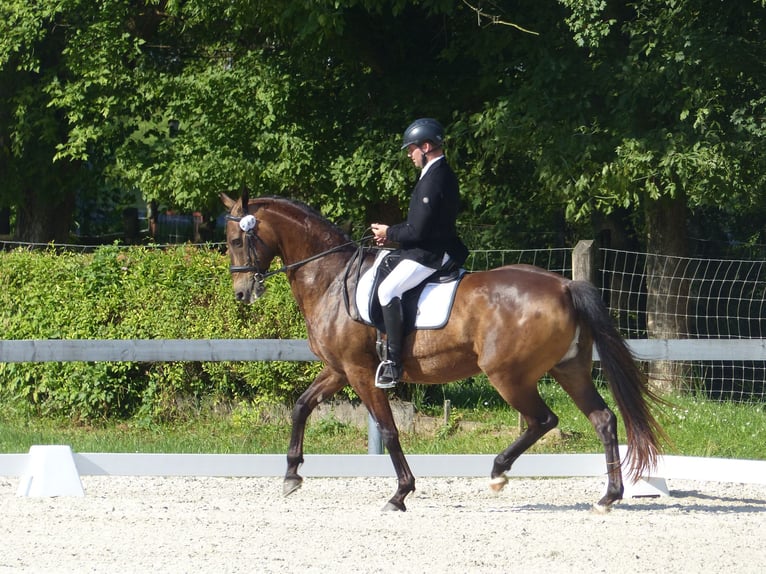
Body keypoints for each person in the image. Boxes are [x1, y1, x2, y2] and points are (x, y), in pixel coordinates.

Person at [370, 118, 468, 388]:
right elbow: (419, 226)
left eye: (411, 149)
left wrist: (389, 233)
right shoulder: (437, 173)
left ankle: (393, 362)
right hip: (429, 247)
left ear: (426, 146)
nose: (409, 155)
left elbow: (419, 230)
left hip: (432, 253)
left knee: (387, 291)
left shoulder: (435, 178)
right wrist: (390, 236)